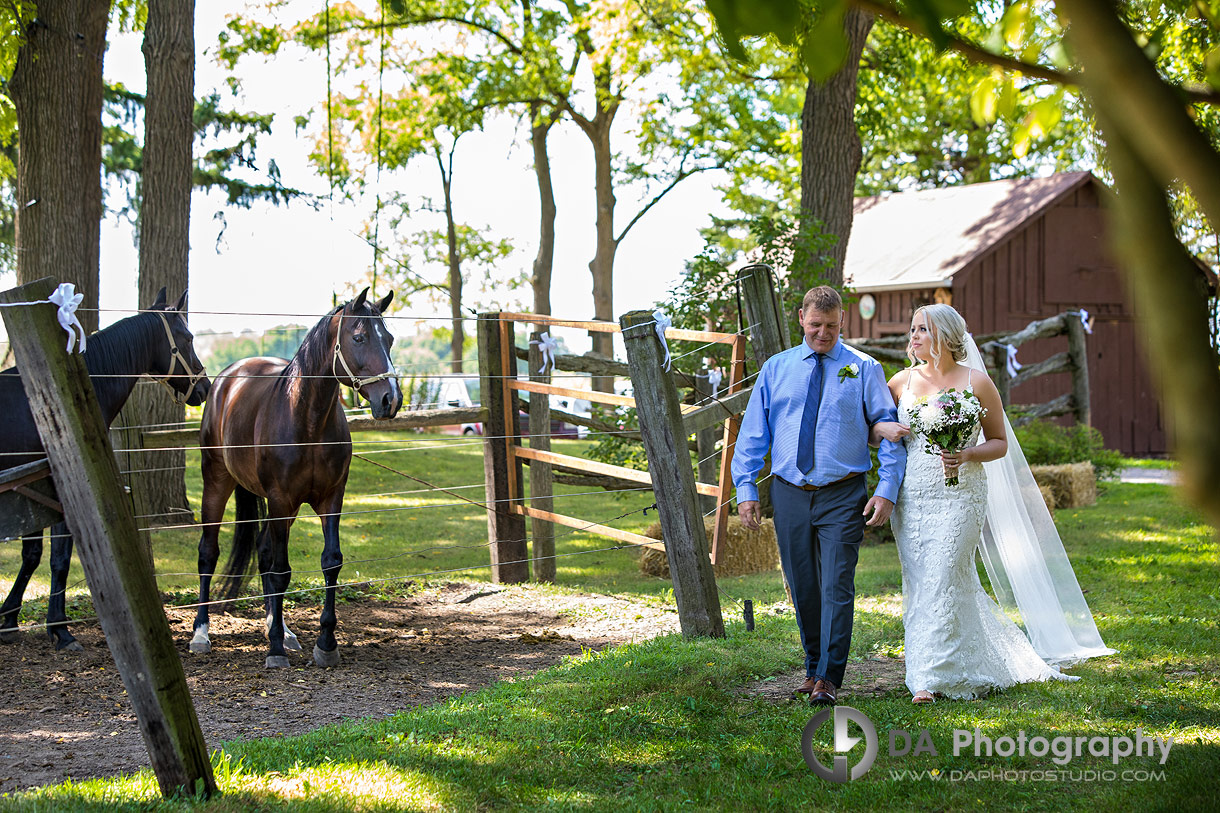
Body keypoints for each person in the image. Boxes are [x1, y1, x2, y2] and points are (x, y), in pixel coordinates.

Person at [874, 304, 1115, 703]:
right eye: (912, 329)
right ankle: (957, 661)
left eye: (923, 330)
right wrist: (882, 427)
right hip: (913, 497)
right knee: (922, 581)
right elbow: (874, 431)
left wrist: (967, 454)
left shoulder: (978, 383)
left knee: (946, 572)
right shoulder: (900, 382)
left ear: (947, 338)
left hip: (962, 495)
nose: (913, 337)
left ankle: (926, 678)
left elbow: (1000, 443)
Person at [733, 286, 907, 706]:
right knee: (803, 585)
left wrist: (886, 490)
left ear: (842, 321)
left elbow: (888, 431)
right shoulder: (776, 369)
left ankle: (830, 677)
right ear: (801, 319)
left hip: (843, 493)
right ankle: (812, 668)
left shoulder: (863, 368)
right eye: (815, 325)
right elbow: (754, 433)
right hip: (789, 492)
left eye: (831, 326)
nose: (823, 334)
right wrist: (745, 488)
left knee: (836, 585)